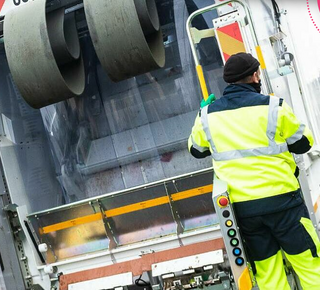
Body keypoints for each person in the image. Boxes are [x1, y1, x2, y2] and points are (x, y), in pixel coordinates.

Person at [188, 52, 320, 290]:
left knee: (269, 275)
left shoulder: (208, 117)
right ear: (255, 76)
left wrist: (201, 115)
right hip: (284, 204)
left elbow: (196, 150)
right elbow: (304, 143)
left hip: (245, 212)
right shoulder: (273, 107)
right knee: (310, 265)